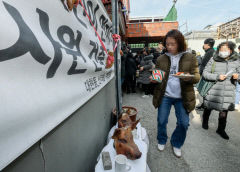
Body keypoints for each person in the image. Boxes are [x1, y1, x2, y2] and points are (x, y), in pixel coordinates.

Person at [151, 29, 200, 158]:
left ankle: (176, 143)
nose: (170, 47)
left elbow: (197, 77)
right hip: (165, 95)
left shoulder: (190, 57)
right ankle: (162, 140)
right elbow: (157, 75)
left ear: (180, 43)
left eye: (173, 44)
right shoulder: (162, 58)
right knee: (161, 121)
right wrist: (154, 79)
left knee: (184, 123)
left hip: (182, 97)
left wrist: (188, 77)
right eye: (167, 44)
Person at [202, 41, 240, 140]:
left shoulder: (237, 61)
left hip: (228, 90)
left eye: (225, 50)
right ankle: (205, 122)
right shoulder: (213, 59)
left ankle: (221, 129)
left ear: (231, 50)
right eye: (221, 50)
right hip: (213, 88)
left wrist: (238, 76)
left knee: (224, 111)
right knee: (208, 106)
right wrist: (217, 76)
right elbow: (205, 73)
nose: (223, 52)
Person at [196, 38, 215, 110]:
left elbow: (206, 65)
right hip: (205, 74)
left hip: (207, 75)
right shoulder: (209, 52)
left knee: (205, 91)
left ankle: (205, 106)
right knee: (204, 91)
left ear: (208, 45)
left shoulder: (210, 52)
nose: (203, 45)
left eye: (204, 44)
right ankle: (204, 105)